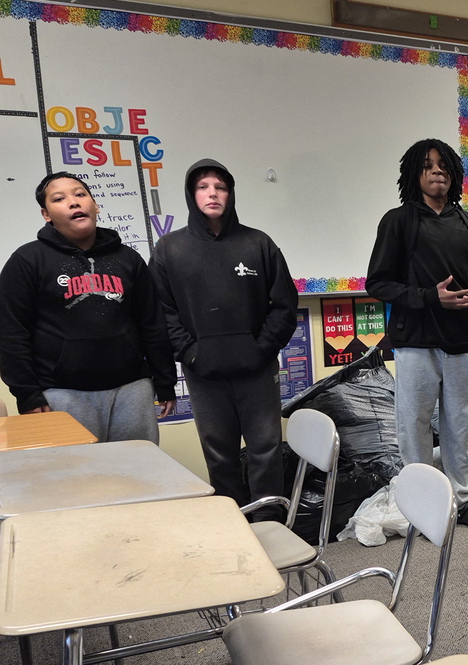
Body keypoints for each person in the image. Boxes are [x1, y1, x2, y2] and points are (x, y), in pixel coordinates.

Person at [150, 159, 297, 521]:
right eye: (203, 187)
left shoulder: (258, 243)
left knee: (265, 449)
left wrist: (261, 348)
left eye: (220, 187)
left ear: (230, 194)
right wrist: (190, 353)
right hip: (203, 372)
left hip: (257, 371)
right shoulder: (170, 249)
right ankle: (234, 525)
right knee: (220, 455)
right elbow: (161, 311)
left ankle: (270, 524)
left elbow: (284, 305)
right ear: (191, 195)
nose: (212, 193)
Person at [366, 139, 468, 531]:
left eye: (443, 165)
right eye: (427, 165)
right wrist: (428, 297)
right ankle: (422, 507)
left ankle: (461, 499)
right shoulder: (397, 221)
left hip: (461, 341)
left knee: (462, 425)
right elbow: (378, 283)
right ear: (414, 175)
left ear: (455, 174)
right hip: (415, 341)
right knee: (414, 425)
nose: (436, 170)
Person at [0, 172, 176, 441]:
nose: (73, 202)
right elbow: (11, 331)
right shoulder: (27, 260)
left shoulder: (128, 259)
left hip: (132, 390)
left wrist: (165, 382)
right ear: (46, 214)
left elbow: (151, 323)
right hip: (61, 394)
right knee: (73, 480)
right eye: (59, 198)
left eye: (80, 194)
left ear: (95, 206)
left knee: (138, 476)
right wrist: (27, 394)